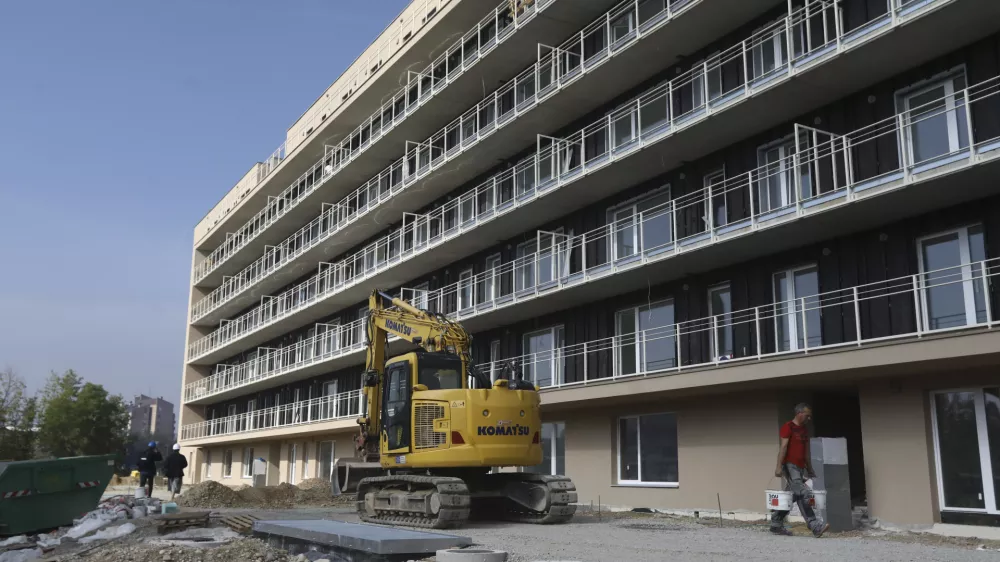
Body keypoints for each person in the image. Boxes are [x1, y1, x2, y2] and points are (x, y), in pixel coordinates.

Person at [771, 403, 829, 537]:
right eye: (807, 415)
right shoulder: (788, 427)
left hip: (800, 467)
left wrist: (809, 468)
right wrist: (779, 466)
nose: (809, 419)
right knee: (804, 494)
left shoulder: (804, 430)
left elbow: (806, 452)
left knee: (791, 496)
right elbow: (783, 448)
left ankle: (776, 524)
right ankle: (815, 526)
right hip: (790, 466)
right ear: (799, 413)